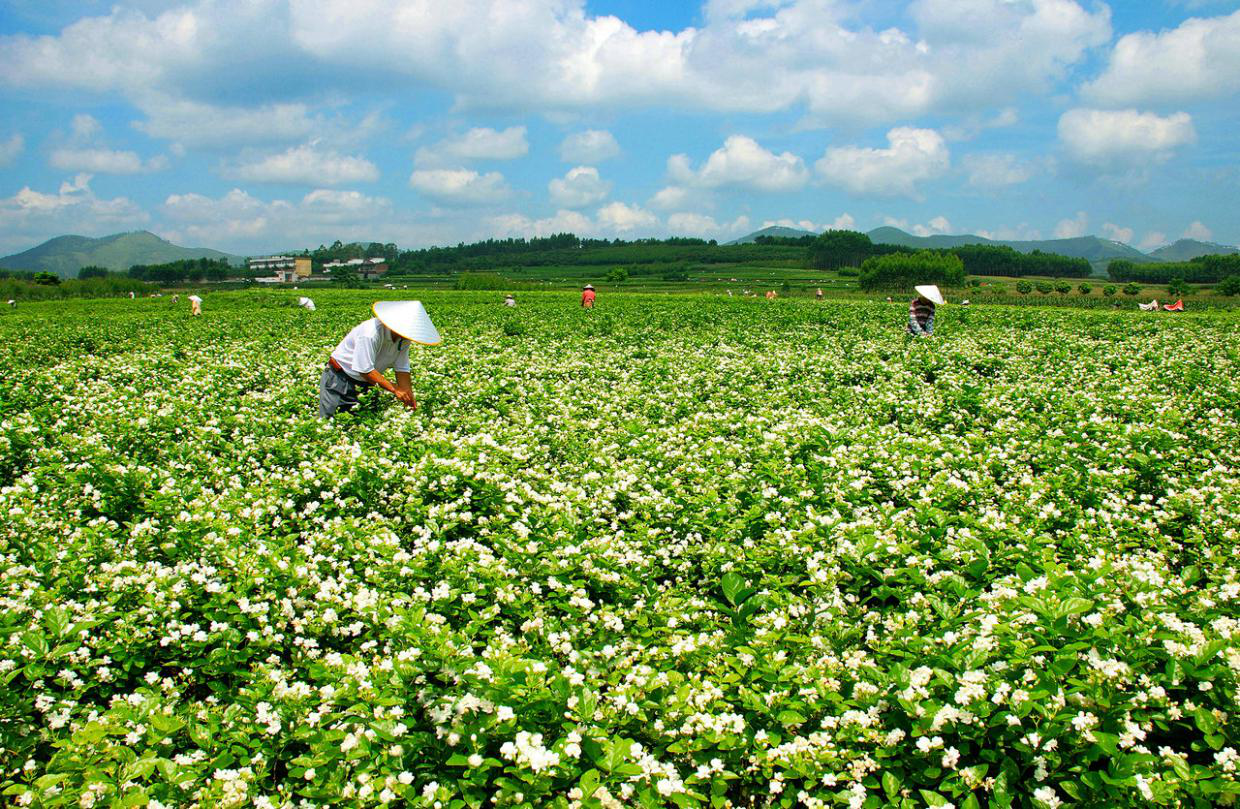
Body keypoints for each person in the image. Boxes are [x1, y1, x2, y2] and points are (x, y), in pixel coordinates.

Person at [320, 300, 440, 419]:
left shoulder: (404, 338)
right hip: (341, 379)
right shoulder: (370, 333)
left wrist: (408, 395)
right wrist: (395, 389)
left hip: (368, 383)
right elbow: (365, 370)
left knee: (362, 422)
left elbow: (402, 368)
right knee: (331, 421)